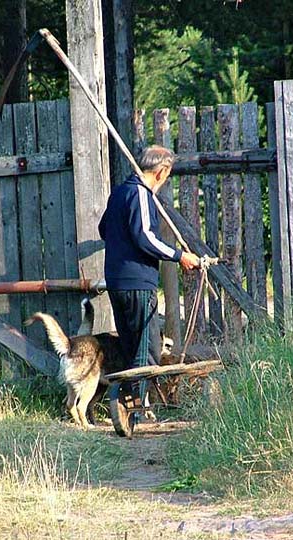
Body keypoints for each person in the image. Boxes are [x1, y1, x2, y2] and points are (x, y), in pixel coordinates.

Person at [98, 145, 201, 411]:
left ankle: (131, 405)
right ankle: (133, 410)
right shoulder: (140, 194)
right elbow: (146, 237)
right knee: (147, 348)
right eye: (167, 174)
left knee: (131, 345)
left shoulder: (119, 193)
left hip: (116, 281)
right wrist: (180, 256)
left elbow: (103, 229)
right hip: (137, 283)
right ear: (161, 171)